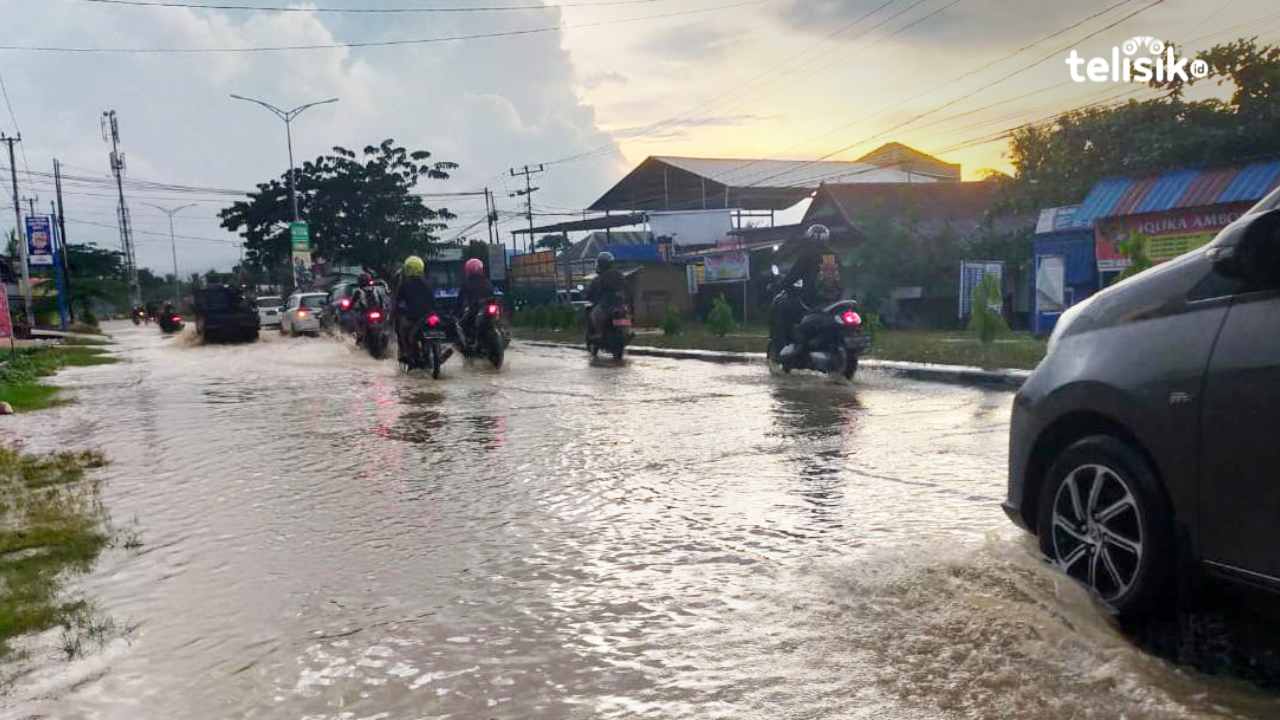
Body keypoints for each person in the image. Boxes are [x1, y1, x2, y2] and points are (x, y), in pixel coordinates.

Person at [772, 224, 844, 354]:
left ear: (809, 238)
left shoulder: (808, 255)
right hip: (834, 301)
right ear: (826, 239)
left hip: (811, 301)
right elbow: (842, 279)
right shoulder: (835, 256)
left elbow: (793, 276)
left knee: (782, 307)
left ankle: (783, 346)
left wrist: (779, 286)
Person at [393, 256, 439, 362]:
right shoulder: (428, 283)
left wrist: (397, 311)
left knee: (402, 330)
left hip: (413, 317)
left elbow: (398, 301)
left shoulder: (404, 285)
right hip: (429, 315)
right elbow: (433, 300)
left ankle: (407, 353)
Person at [585, 251, 626, 335]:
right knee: (624, 314)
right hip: (619, 304)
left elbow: (591, 292)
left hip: (605, 305)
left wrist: (588, 296)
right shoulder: (619, 275)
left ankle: (600, 333)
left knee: (594, 315)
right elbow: (626, 288)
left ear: (600, 264)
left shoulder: (599, 278)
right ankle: (625, 332)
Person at [455, 258, 494, 347]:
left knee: (463, 324)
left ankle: (470, 341)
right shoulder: (487, 281)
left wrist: (456, 312)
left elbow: (460, 300)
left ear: (468, 270)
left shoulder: (466, 283)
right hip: (488, 307)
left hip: (476, 308)